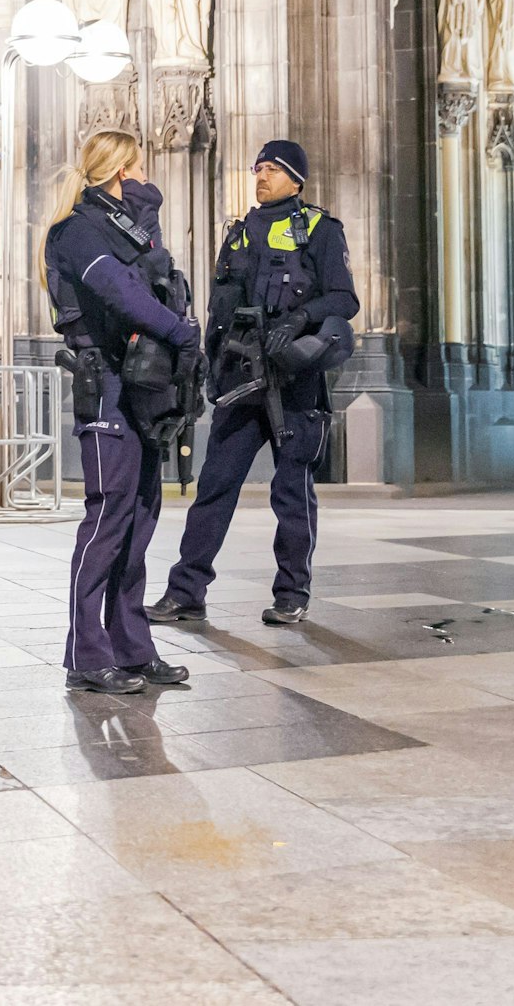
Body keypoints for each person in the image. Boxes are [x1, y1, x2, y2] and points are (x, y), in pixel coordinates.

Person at [146, 140, 358, 628]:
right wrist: (208, 366)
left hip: (294, 381)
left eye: (273, 170)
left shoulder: (320, 230)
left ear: (296, 179)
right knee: (214, 487)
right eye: (258, 168)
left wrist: (302, 317)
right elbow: (220, 309)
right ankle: (186, 592)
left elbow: (344, 300)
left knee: (291, 492)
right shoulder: (239, 234)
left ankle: (291, 594)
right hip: (242, 378)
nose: (261, 177)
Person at [44, 131, 196, 695]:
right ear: (120, 170)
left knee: (139, 519)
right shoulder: (77, 230)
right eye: (140, 169)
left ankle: (131, 648)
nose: (146, 178)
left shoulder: (126, 227)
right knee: (108, 518)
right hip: (106, 382)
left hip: (144, 385)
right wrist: (182, 332)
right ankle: (87, 654)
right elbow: (123, 293)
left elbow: (158, 278)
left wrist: (146, 219)